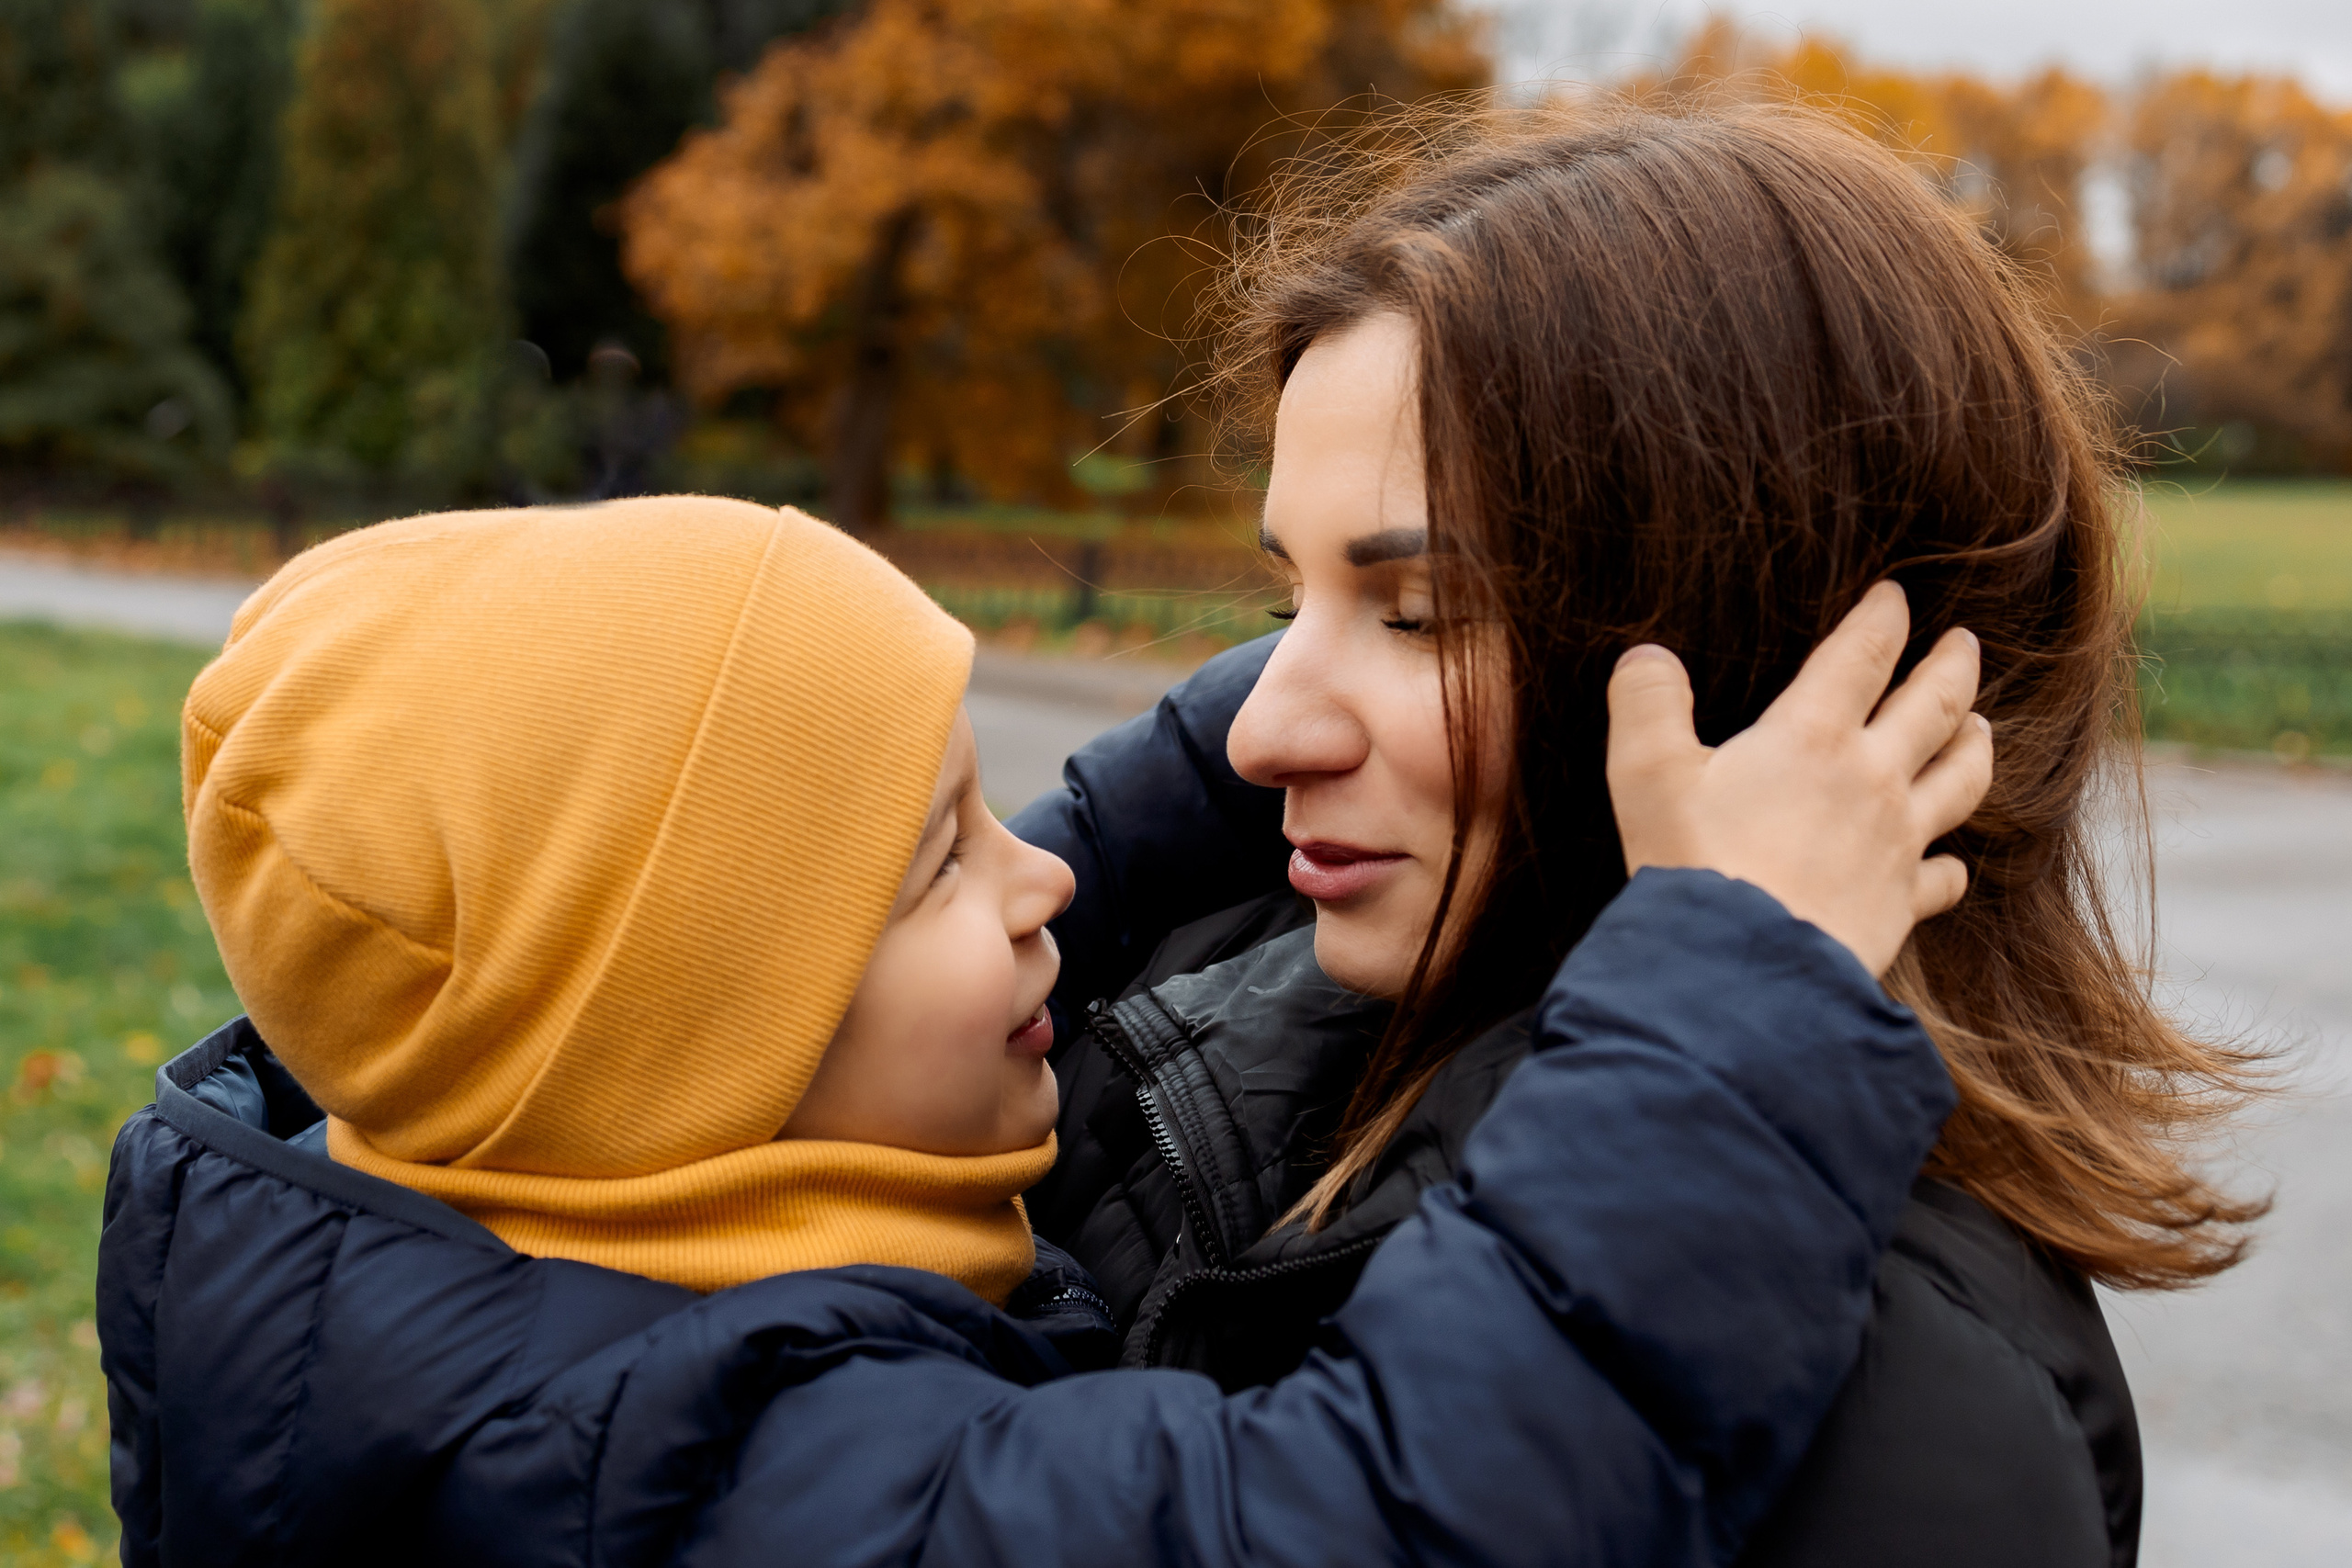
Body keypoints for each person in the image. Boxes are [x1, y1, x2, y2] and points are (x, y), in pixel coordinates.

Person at [100, 495, 1986, 1566]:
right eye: (936, 857)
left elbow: (978, 886)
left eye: (1408, 606)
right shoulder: (708, 1493)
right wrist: (1735, 980)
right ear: (696, 1037)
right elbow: (1394, 1518)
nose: (1037, 885)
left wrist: (1328, 683)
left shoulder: (490, 1214)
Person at [1016, 98, 2267, 1568]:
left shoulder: (1893, 1414)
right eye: (1292, 599)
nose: (1259, 731)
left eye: (1419, 614)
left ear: (1783, 673)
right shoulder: (1195, 992)